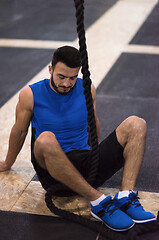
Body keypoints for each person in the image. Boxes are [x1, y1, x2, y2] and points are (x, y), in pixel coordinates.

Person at [0, 46, 156, 231]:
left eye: (72, 77)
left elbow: (93, 123)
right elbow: (19, 132)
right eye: (61, 76)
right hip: (54, 176)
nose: (66, 83)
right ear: (50, 69)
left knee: (136, 124)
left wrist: (98, 157)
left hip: (86, 166)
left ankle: (126, 197)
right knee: (45, 139)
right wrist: (7, 163)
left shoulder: (86, 88)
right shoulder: (30, 95)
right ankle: (97, 201)